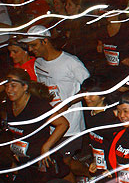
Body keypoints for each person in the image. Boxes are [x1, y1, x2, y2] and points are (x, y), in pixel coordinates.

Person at [20, 25, 90, 158]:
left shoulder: (70, 62)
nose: (30, 49)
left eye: (33, 45)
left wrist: (67, 104)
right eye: (29, 46)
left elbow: (90, 88)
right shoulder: (38, 63)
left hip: (70, 125)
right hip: (49, 124)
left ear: (45, 41)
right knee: (56, 164)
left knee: (67, 163)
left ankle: (87, 175)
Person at [4, 68, 70, 183]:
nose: (9, 90)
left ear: (25, 87)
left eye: (13, 86)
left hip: (40, 161)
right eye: (6, 86)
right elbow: (15, 132)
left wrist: (46, 148)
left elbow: (63, 123)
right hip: (23, 161)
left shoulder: (37, 105)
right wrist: (14, 160)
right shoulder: (9, 102)